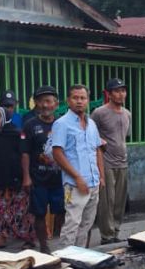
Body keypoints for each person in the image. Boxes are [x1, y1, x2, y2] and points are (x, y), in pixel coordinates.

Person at [51, 84, 105, 248]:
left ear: (87, 101)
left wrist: (101, 177)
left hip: (93, 182)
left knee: (87, 224)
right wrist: (77, 177)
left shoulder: (92, 124)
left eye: (83, 98)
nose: (79, 101)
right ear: (68, 100)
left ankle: (79, 255)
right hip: (75, 185)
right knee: (72, 224)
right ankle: (65, 257)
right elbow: (57, 153)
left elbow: (97, 150)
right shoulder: (62, 124)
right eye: (75, 98)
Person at [21, 85, 64, 254]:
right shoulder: (30, 125)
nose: (45, 105)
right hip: (38, 178)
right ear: (36, 104)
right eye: (41, 101)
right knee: (39, 213)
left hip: (60, 178)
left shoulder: (62, 124)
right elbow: (25, 153)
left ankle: (61, 243)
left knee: (61, 211)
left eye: (49, 101)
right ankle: (44, 246)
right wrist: (26, 177)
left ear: (56, 103)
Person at [0, 106, 35, 248]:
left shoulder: (16, 134)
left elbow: (23, 156)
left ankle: (29, 239)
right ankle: (1, 238)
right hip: (0, 181)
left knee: (21, 211)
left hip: (17, 179)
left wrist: (25, 177)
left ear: (5, 118)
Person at [91, 77, 131, 244]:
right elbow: (91, 136)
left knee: (120, 201)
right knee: (107, 201)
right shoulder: (99, 113)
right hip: (106, 162)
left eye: (123, 90)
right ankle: (106, 235)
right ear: (109, 94)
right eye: (117, 91)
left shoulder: (127, 113)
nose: (121, 94)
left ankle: (115, 231)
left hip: (123, 162)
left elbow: (125, 136)